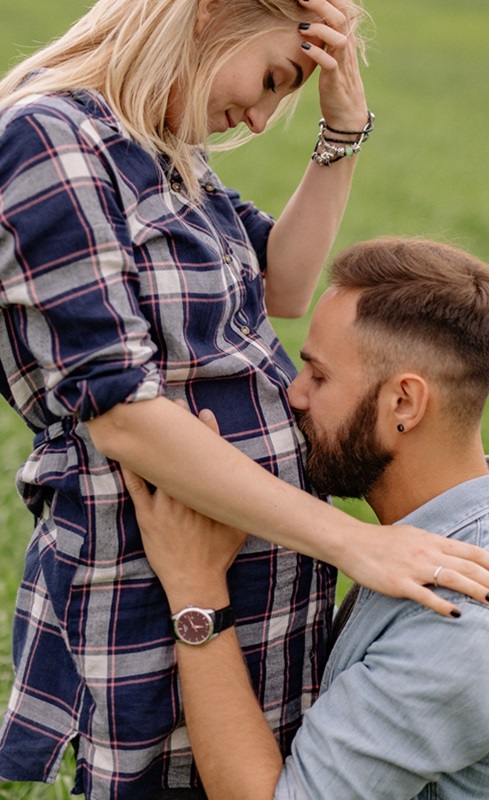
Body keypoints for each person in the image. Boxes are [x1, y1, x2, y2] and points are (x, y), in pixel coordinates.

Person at [0, 0, 488, 795]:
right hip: (155, 566)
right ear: (212, 14)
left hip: (255, 565)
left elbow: (285, 286)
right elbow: (119, 409)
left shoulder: (161, 153)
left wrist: (342, 131)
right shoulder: (52, 141)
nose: (260, 119)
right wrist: (349, 541)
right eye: (270, 79)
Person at [125, 237, 489, 799]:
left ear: (403, 404)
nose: (292, 395)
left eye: (318, 376)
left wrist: (195, 589)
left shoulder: (458, 620)